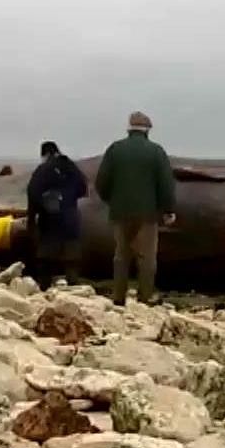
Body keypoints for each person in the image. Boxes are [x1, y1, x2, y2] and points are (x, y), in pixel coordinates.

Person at [95, 111, 176, 305]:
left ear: (129, 128)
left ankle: (118, 297)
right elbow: (166, 183)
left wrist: (111, 201)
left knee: (121, 256)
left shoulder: (115, 149)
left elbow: (101, 182)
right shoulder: (156, 151)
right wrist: (168, 210)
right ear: (147, 129)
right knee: (146, 257)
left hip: (120, 213)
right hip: (147, 214)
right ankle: (145, 297)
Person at [26, 141, 88, 289]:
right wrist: (68, 198)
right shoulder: (71, 166)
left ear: (45, 154)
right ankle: (73, 286)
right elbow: (82, 188)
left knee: (46, 256)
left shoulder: (43, 169)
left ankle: (44, 286)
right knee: (72, 255)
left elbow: (33, 193)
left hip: (50, 219)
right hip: (70, 218)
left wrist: (31, 221)